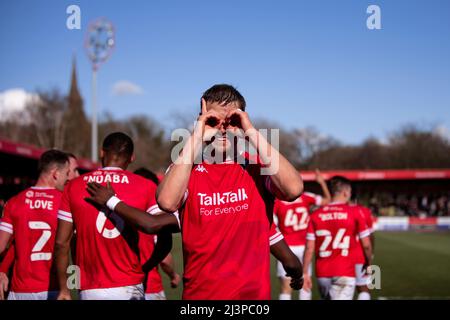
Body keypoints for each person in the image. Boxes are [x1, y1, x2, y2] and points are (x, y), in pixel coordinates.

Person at [86, 84, 304, 299]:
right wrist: (197, 134)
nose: (222, 129)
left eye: (231, 121)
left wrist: (250, 131)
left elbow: (293, 189)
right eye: (213, 120)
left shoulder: (256, 169)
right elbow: (167, 202)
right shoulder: (187, 170)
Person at [55, 132, 171, 300]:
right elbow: (164, 234)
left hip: (91, 287)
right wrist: (147, 266)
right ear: (131, 158)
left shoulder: (74, 186)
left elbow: (61, 243)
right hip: (130, 285)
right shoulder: (146, 186)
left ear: (102, 153)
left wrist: (64, 289)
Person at [0, 153, 80, 300]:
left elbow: (3, 245)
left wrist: (2, 269)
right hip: (53, 289)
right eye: (67, 173)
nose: (68, 178)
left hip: (20, 291)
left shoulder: (14, 202)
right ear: (55, 173)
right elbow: (76, 246)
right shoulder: (65, 202)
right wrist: (75, 284)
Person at [302, 176, 372, 300]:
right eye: (349, 192)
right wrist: (368, 263)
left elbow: (309, 248)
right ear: (345, 192)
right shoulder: (355, 212)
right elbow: (366, 244)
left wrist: (305, 272)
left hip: (322, 274)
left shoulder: (315, 215)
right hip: (344, 272)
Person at [274, 169, 331, 300]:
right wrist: (322, 183)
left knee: (286, 288)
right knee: (305, 283)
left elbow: (272, 224)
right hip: (304, 247)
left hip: (286, 248)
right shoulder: (306, 197)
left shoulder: (277, 201)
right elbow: (327, 201)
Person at [133, 167, 181, 300]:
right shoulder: (153, 217)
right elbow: (165, 260)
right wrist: (173, 275)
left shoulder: (125, 213)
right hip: (150, 287)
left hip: (120, 284)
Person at [352, 203, 375, 300]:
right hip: (360, 257)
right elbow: (370, 237)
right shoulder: (365, 211)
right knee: (365, 289)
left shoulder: (332, 210)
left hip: (338, 257)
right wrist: (371, 255)